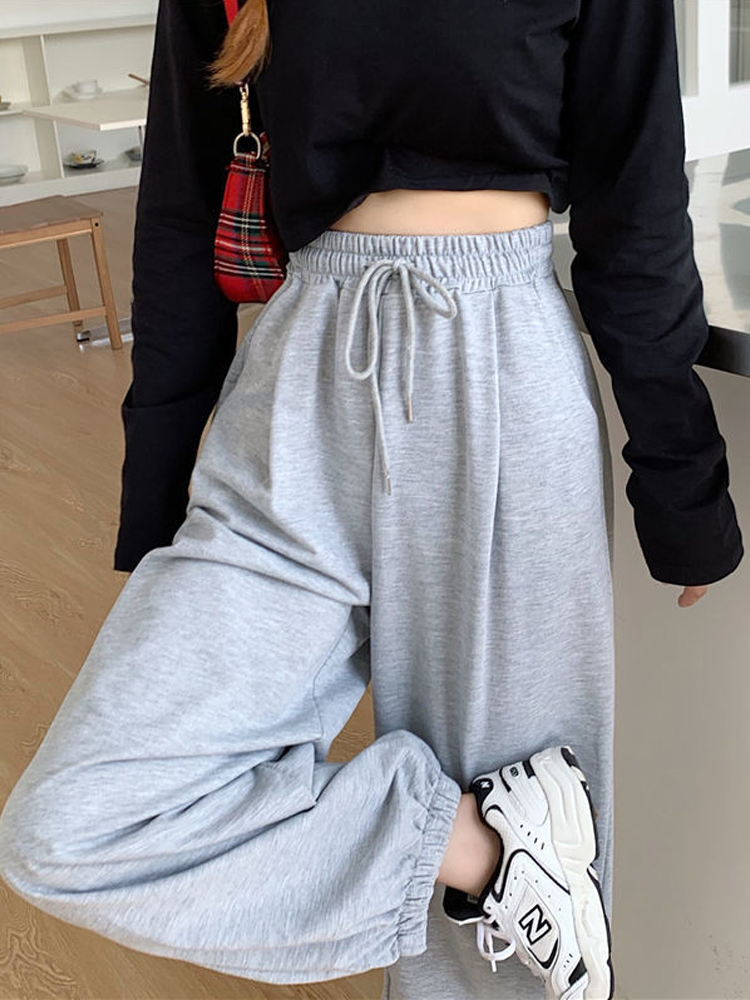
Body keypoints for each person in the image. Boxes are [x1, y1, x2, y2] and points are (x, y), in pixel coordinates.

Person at [0, 1, 743, 999]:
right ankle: (477, 846)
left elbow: (635, 197)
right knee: (74, 823)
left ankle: (511, 869)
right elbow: (183, 207)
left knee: (499, 960)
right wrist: (156, 498)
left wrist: (682, 481)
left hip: (497, 371)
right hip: (295, 390)